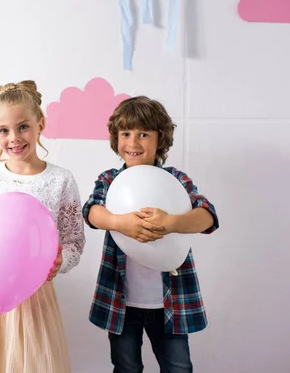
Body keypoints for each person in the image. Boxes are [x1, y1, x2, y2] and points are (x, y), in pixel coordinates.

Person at [0, 80, 85, 373]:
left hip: (33, 297)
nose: (14, 137)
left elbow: (74, 240)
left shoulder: (60, 180)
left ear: (41, 123)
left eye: (23, 126)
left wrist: (62, 260)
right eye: (4, 130)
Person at [83, 96, 219, 372]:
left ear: (161, 139)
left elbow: (208, 216)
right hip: (123, 301)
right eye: (125, 134)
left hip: (170, 302)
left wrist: (170, 222)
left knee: (178, 368)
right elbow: (91, 211)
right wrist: (119, 222)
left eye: (143, 134)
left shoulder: (175, 180)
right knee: (126, 367)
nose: (133, 143)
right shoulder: (110, 179)